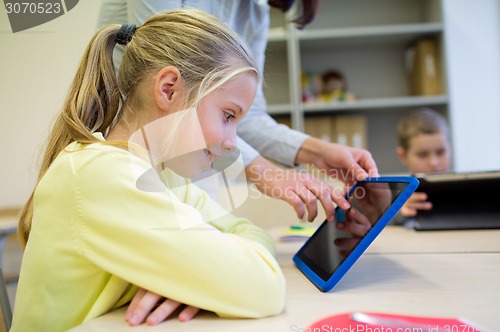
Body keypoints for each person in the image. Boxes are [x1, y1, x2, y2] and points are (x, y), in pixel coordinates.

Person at [10, 9, 287, 332]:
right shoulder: (102, 176)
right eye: (228, 116)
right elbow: (263, 288)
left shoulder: (164, 177)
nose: (231, 143)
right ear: (169, 89)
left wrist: (192, 283)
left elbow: (251, 233)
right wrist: (202, 282)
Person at [97, 0, 379, 225]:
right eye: (227, 119)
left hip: (179, 161)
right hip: (148, 151)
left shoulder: (255, 9)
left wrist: (316, 152)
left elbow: (245, 112)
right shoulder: (111, 180)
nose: (230, 143)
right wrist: (265, 171)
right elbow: (176, 89)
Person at [393, 107, 451, 223]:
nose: (434, 163)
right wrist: (401, 212)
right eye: (423, 155)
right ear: (403, 156)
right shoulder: (392, 196)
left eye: (440, 152)